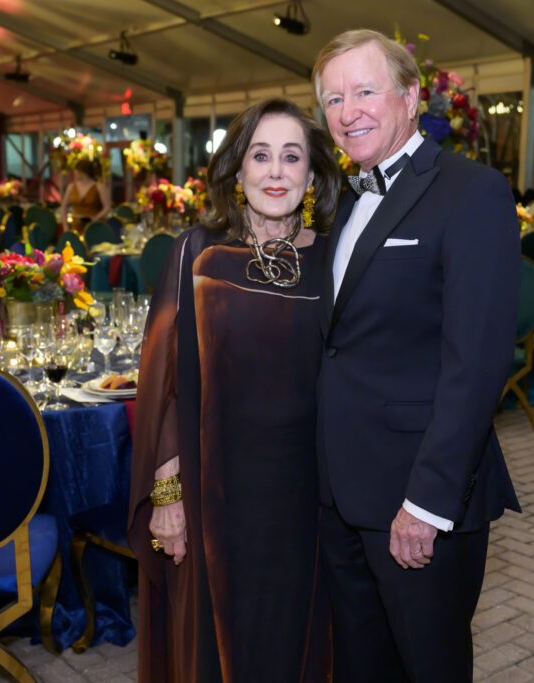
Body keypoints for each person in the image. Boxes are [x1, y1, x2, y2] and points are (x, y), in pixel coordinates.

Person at [313, 29, 521, 682]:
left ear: (409, 95)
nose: (349, 112)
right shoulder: (338, 201)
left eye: (365, 91)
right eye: (333, 98)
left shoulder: (471, 192)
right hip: (338, 491)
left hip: (416, 500)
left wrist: (428, 503)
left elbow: (478, 362)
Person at [128, 98, 341, 682]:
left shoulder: (334, 261)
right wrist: (167, 496)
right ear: (237, 171)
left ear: (311, 174)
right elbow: (162, 383)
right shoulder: (197, 253)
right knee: (214, 648)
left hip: (308, 501)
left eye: (291, 157)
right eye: (261, 155)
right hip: (212, 494)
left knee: (300, 642)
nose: (276, 172)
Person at [58, 159, 111, 233]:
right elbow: (63, 207)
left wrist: (95, 218)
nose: (74, 173)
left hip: (94, 226)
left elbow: (107, 207)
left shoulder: (99, 187)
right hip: (76, 225)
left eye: (76, 170)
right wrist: (65, 226)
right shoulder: (71, 187)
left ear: (82, 171)